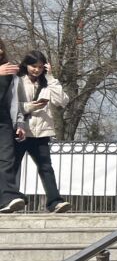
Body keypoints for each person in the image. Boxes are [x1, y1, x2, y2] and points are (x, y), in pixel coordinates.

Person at [14, 51, 69, 213]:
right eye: (33, 66)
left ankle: (55, 202)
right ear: (26, 65)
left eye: (40, 67)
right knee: (12, 167)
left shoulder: (47, 83)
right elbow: (11, 106)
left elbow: (62, 101)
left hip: (42, 133)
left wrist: (51, 77)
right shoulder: (17, 81)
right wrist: (30, 106)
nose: (36, 70)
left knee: (46, 168)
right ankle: (10, 198)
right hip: (21, 131)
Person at [0, 41, 27, 214]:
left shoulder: (9, 74)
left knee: (6, 159)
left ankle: (8, 198)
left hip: (3, 120)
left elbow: (13, 101)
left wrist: (19, 123)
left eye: (1, 47)